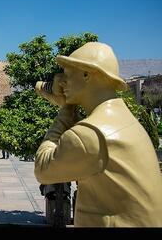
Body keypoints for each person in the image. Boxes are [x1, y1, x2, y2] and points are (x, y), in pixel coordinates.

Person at [34, 42, 162, 227]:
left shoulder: (90, 134)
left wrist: (65, 110)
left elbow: (43, 169)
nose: (61, 81)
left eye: (68, 75)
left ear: (87, 74)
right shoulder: (122, 120)